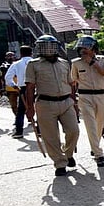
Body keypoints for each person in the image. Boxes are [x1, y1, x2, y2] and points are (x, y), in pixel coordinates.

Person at [24, 35, 80, 176]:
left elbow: (71, 83)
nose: (49, 49)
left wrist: (74, 102)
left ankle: (67, 153)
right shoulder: (33, 64)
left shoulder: (64, 63)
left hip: (66, 102)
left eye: (51, 46)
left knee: (74, 130)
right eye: (45, 46)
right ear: (39, 49)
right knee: (50, 136)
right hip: (45, 103)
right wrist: (29, 108)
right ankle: (59, 163)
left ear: (56, 47)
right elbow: (30, 87)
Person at [70, 35, 104, 167]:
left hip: (101, 95)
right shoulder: (76, 63)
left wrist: (93, 64)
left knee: (99, 125)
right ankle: (99, 154)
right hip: (85, 96)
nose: (83, 51)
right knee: (90, 125)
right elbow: (73, 80)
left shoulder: (103, 60)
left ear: (93, 49)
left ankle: (95, 147)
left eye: (86, 48)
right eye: (81, 48)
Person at [5, 45, 33, 138]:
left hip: (24, 88)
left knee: (21, 110)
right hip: (37, 87)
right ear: (31, 52)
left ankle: (19, 131)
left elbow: (8, 77)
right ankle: (40, 129)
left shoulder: (16, 64)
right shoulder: (36, 62)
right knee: (40, 107)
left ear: (20, 54)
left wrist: (14, 86)